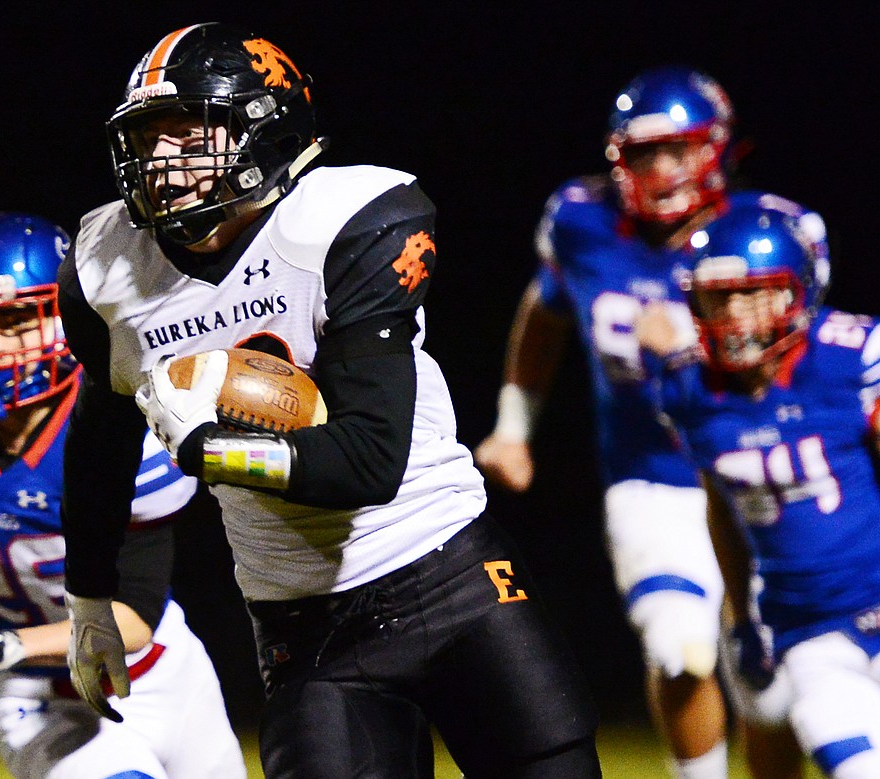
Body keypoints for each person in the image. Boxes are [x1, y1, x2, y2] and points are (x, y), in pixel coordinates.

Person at [55, 22, 602, 779]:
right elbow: (101, 435)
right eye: (149, 138)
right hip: (306, 626)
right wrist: (88, 596)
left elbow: (369, 461)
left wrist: (208, 449)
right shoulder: (108, 269)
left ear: (265, 130)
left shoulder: (348, 222)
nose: (161, 160)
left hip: (448, 576)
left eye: (189, 135)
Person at [474, 66, 801, 779]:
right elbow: (544, 312)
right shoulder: (584, 223)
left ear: (715, 149)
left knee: (769, 685)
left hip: (749, 475)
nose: (660, 170)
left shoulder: (769, 237)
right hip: (648, 476)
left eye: (676, 150)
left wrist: (687, 351)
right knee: (678, 647)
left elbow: (799, 364)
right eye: (643, 153)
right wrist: (513, 423)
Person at [0, 212, 246, 779]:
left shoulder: (115, 420)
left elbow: (133, 618)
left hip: (157, 670)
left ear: (60, 317)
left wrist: (3, 643)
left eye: (15, 320)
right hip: (39, 697)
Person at [636, 198, 880, 777]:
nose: (735, 315)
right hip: (809, 643)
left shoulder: (849, 360)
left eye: (753, 293)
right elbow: (725, 512)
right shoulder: (687, 390)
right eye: (720, 296)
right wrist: (740, 621)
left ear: (796, 292)